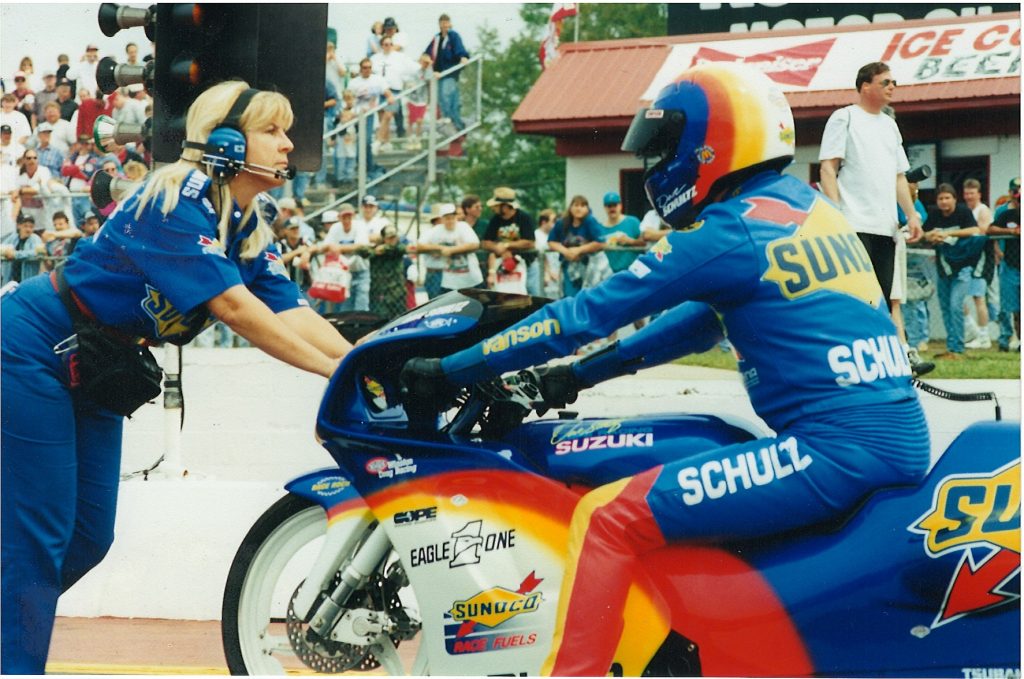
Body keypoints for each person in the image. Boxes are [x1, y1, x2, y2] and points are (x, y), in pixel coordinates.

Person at [400, 63, 929, 676]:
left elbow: (583, 315)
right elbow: (701, 320)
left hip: (837, 448)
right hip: (883, 435)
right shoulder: (803, 205)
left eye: (664, 148)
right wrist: (572, 378)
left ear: (709, 143)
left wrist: (455, 368)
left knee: (606, 518)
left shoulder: (730, 229)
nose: (657, 166)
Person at [0, 81, 351, 675]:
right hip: (36, 345)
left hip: (97, 363)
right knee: (40, 538)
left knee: (88, 536)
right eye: (273, 131)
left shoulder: (245, 217)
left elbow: (291, 311)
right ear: (225, 141)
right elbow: (238, 311)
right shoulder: (175, 200)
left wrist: (355, 364)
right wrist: (337, 375)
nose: (290, 145)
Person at [818, 61, 927, 373]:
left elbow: (898, 177)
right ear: (865, 86)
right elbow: (828, 167)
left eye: (894, 82)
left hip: (885, 227)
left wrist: (911, 216)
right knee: (854, 298)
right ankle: (842, 360)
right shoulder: (845, 117)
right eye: (885, 82)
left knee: (881, 299)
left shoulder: (889, 126)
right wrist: (836, 215)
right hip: (853, 223)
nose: (892, 87)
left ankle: (886, 362)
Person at [922, 183, 982, 359]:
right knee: (946, 307)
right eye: (940, 198)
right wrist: (931, 235)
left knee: (956, 305)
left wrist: (948, 235)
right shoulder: (934, 215)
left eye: (947, 197)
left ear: (955, 199)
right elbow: (924, 233)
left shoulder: (963, 212)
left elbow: (975, 229)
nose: (944, 201)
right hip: (943, 268)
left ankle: (958, 347)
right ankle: (951, 347)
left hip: (962, 267)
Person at [417, 202, 483, 293]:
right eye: (447, 218)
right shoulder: (436, 230)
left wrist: (451, 250)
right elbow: (419, 246)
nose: (450, 220)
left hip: (470, 277)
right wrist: (440, 248)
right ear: (442, 219)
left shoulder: (464, 226)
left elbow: (475, 244)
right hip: (448, 279)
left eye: (453, 217)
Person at [548, 194, 604, 297]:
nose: (579, 208)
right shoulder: (562, 223)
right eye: (576, 205)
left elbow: (600, 242)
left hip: (588, 265)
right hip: (568, 266)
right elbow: (551, 241)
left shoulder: (591, 221)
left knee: (588, 296)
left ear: (587, 208)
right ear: (570, 207)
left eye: (583, 206)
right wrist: (565, 251)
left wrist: (579, 250)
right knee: (571, 298)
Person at [961, 178, 995, 349]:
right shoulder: (965, 211)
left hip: (981, 259)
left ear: (979, 194)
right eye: (966, 193)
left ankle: (984, 337)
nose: (968, 196)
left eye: (972, 193)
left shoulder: (983, 210)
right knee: (959, 297)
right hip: (966, 258)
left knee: (978, 298)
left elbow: (981, 232)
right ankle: (972, 330)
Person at [987, 182, 1020, 351]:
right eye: (1015, 191)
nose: (1018, 195)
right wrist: (997, 251)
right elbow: (991, 230)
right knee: (1008, 305)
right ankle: (1005, 338)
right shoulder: (1003, 211)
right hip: (1008, 263)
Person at [320, 204, 372, 313]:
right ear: (339, 217)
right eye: (344, 217)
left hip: (361, 271)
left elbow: (360, 246)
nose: (347, 220)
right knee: (345, 309)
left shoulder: (360, 225)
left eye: (349, 216)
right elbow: (325, 247)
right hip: (343, 273)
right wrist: (335, 248)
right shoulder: (335, 228)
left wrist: (338, 248)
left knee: (361, 306)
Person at [425, 13, 470, 131]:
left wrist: (463, 57)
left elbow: (459, 48)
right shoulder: (437, 38)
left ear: (450, 23)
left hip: (450, 72)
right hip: (438, 74)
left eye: (446, 22)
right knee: (441, 97)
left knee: (447, 95)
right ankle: (450, 119)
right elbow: (428, 52)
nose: (444, 25)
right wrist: (425, 59)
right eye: (442, 22)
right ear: (439, 24)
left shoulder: (453, 36)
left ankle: (452, 120)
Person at [362, 223, 408, 320]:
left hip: (397, 293)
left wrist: (384, 247)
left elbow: (400, 249)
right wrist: (375, 250)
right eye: (389, 238)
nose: (393, 240)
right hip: (379, 293)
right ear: (383, 239)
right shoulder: (374, 250)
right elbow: (361, 250)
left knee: (400, 319)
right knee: (379, 319)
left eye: (394, 237)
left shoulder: (398, 248)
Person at [1, 214, 45, 284]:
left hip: (27, 281)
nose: (28, 229)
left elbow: (36, 253)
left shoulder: (35, 238)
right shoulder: (13, 238)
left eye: (31, 227)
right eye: (25, 226)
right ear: (19, 226)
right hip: (10, 280)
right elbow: (2, 247)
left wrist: (15, 254)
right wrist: (5, 252)